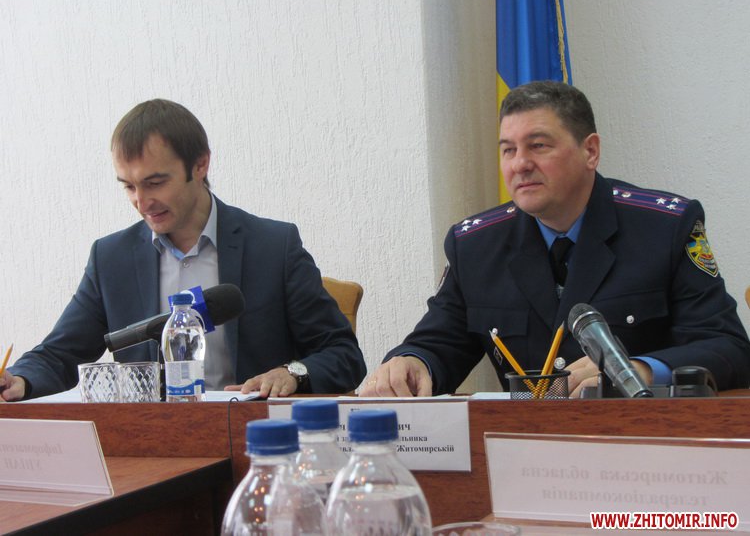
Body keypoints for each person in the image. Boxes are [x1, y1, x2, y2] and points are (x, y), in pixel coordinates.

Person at [360, 80, 750, 398]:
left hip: (641, 441)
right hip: (524, 448)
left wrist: (641, 370)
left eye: (538, 146)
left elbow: (728, 347)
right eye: (508, 150)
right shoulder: (475, 245)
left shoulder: (664, 227)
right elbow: (439, 343)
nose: (520, 164)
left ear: (590, 151)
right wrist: (413, 362)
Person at [1, 99, 366, 401]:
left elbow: (343, 354)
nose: (142, 202)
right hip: (154, 447)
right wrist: (19, 379)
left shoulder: (273, 247)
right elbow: (59, 354)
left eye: (155, 183)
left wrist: (292, 373)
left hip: (253, 439)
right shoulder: (111, 258)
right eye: (128, 187)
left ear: (200, 164)